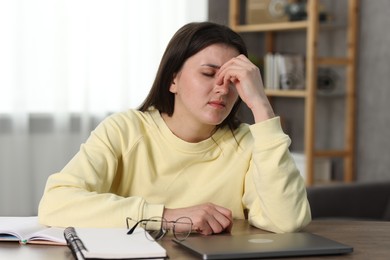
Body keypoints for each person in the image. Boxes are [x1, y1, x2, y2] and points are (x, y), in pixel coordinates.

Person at [38, 21, 311, 235]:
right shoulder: (125, 130)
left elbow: (286, 221)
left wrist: (261, 106)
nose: (222, 88)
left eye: (234, 80)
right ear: (173, 80)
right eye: (208, 73)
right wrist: (167, 216)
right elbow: (56, 203)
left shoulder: (250, 143)